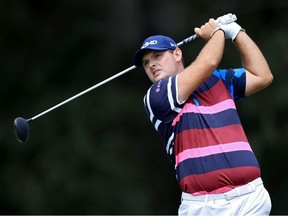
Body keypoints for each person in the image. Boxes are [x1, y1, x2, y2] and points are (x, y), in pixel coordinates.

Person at [133, 15, 273, 216]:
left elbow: (262, 76)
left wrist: (237, 33)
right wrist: (216, 32)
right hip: (204, 206)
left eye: (157, 56)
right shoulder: (157, 96)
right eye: (146, 63)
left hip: (252, 198)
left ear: (177, 54)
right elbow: (209, 62)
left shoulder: (217, 81)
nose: (151, 65)